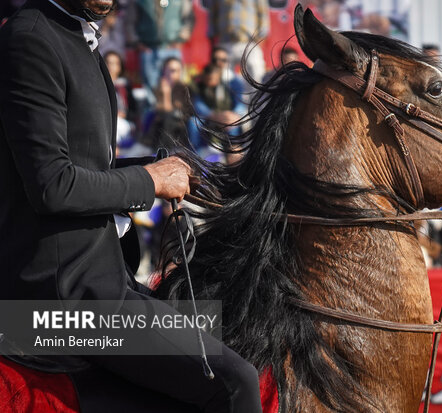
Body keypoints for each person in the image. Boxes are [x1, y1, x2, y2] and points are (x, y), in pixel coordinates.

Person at [0, 1, 262, 412]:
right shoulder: (30, 37)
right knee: (237, 382)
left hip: (99, 278)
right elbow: (52, 185)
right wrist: (151, 180)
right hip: (60, 302)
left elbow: (85, 166)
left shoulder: (76, 37)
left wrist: (160, 171)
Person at [125, 0, 194, 91]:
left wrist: (181, 39)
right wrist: (137, 43)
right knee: (150, 88)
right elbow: (129, 21)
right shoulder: (138, 1)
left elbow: (189, 19)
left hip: (172, 49)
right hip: (148, 49)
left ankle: (176, 105)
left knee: (175, 86)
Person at [204, 0, 270, 87]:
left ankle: (256, 100)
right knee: (225, 77)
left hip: (249, 42)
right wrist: (212, 37)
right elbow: (213, 14)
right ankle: (227, 100)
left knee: (256, 74)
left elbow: (263, 14)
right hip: (225, 42)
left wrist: (260, 38)